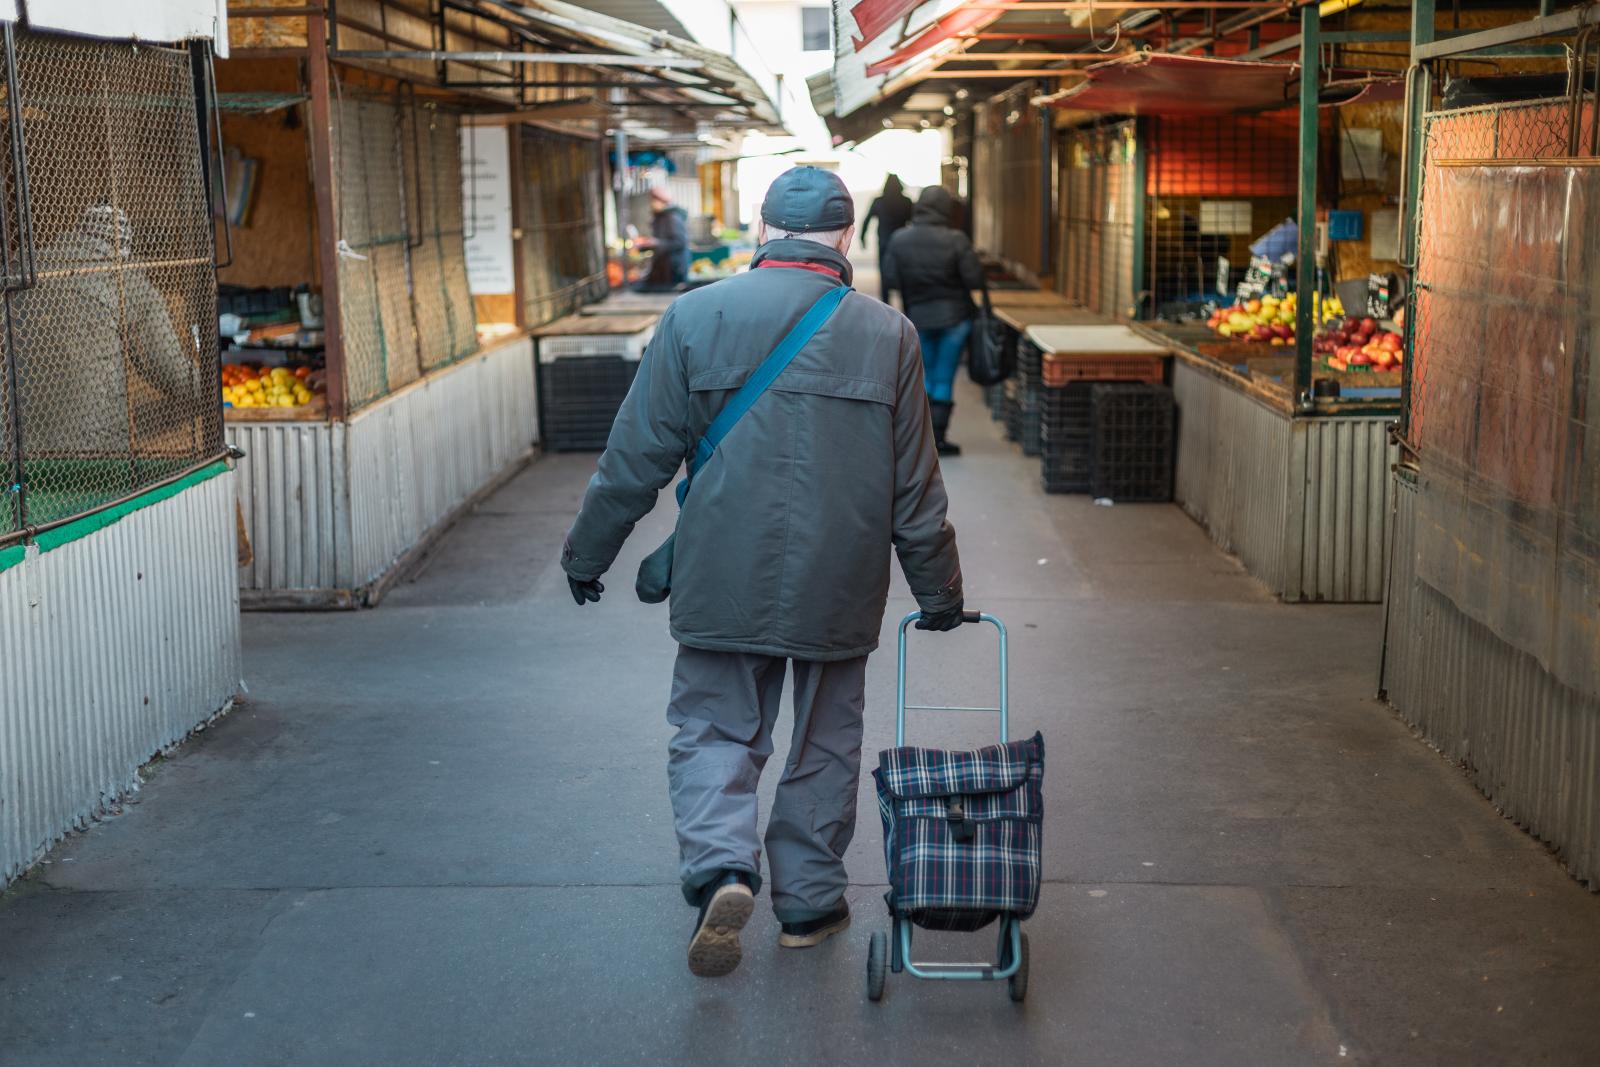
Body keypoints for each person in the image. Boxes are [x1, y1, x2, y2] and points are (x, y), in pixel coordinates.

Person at [560, 166, 964, 980]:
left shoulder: (694, 316)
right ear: (844, 236)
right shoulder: (888, 335)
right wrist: (939, 591)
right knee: (825, 738)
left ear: (763, 230)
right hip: (841, 574)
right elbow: (916, 487)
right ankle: (808, 904)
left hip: (722, 567)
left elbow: (634, 456)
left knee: (714, 726)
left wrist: (588, 552)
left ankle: (722, 867)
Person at [881, 186, 985, 457]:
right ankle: (940, 438)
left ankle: (923, 440)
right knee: (945, 376)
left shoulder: (900, 239)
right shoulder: (956, 240)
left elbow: (891, 279)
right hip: (955, 318)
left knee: (923, 376)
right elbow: (974, 279)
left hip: (918, 318)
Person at [859, 174, 913, 302]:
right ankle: (906, 305)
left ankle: (886, 304)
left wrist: (862, 237)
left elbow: (867, 220)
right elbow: (915, 221)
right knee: (903, 274)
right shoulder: (906, 201)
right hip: (901, 243)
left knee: (884, 275)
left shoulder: (879, 201)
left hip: (884, 242)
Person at [633, 186, 690, 290]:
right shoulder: (659, 217)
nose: (651, 203)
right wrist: (645, 246)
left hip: (674, 269)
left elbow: (680, 242)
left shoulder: (672, 217)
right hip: (663, 268)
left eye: (654, 200)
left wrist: (656, 243)